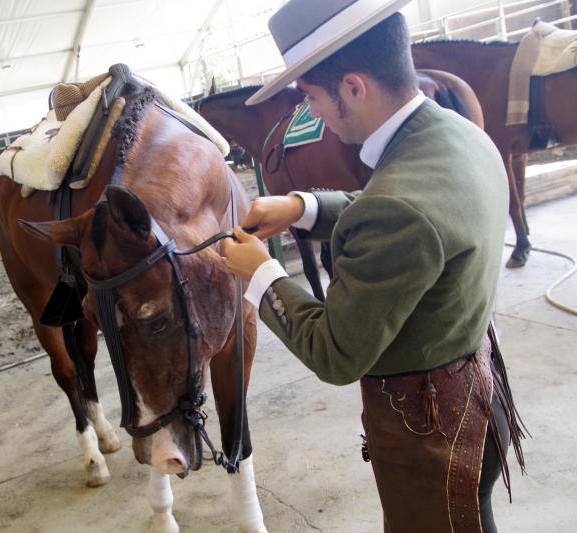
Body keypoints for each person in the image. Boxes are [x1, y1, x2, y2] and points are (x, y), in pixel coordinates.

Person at [221, 1, 526, 531]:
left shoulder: (398, 206)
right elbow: (407, 209)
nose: (312, 113)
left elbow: (336, 355)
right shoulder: (456, 134)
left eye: (313, 98)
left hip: (428, 430)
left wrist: (260, 273)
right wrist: (302, 207)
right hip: (476, 398)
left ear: (355, 88)